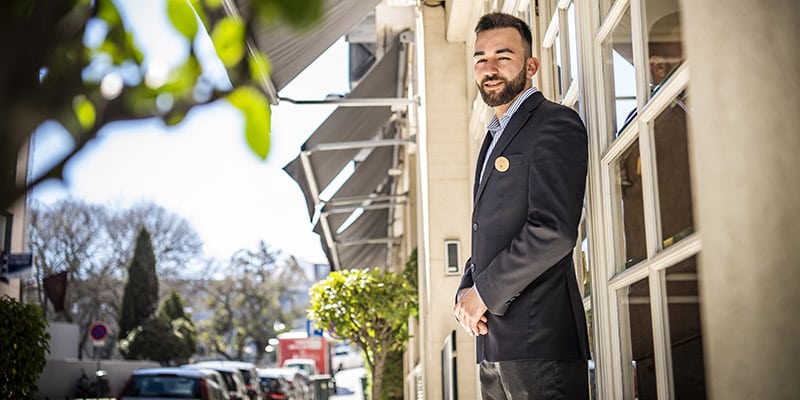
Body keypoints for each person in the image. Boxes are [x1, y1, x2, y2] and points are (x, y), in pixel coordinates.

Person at [453, 12, 590, 399]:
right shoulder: (493, 137)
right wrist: (467, 291)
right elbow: (495, 230)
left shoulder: (554, 123)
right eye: (481, 58)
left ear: (531, 65)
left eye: (503, 56)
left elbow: (552, 231)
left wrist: (482, 294)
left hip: (541, 342)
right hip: (493, 342)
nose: (490, 68)